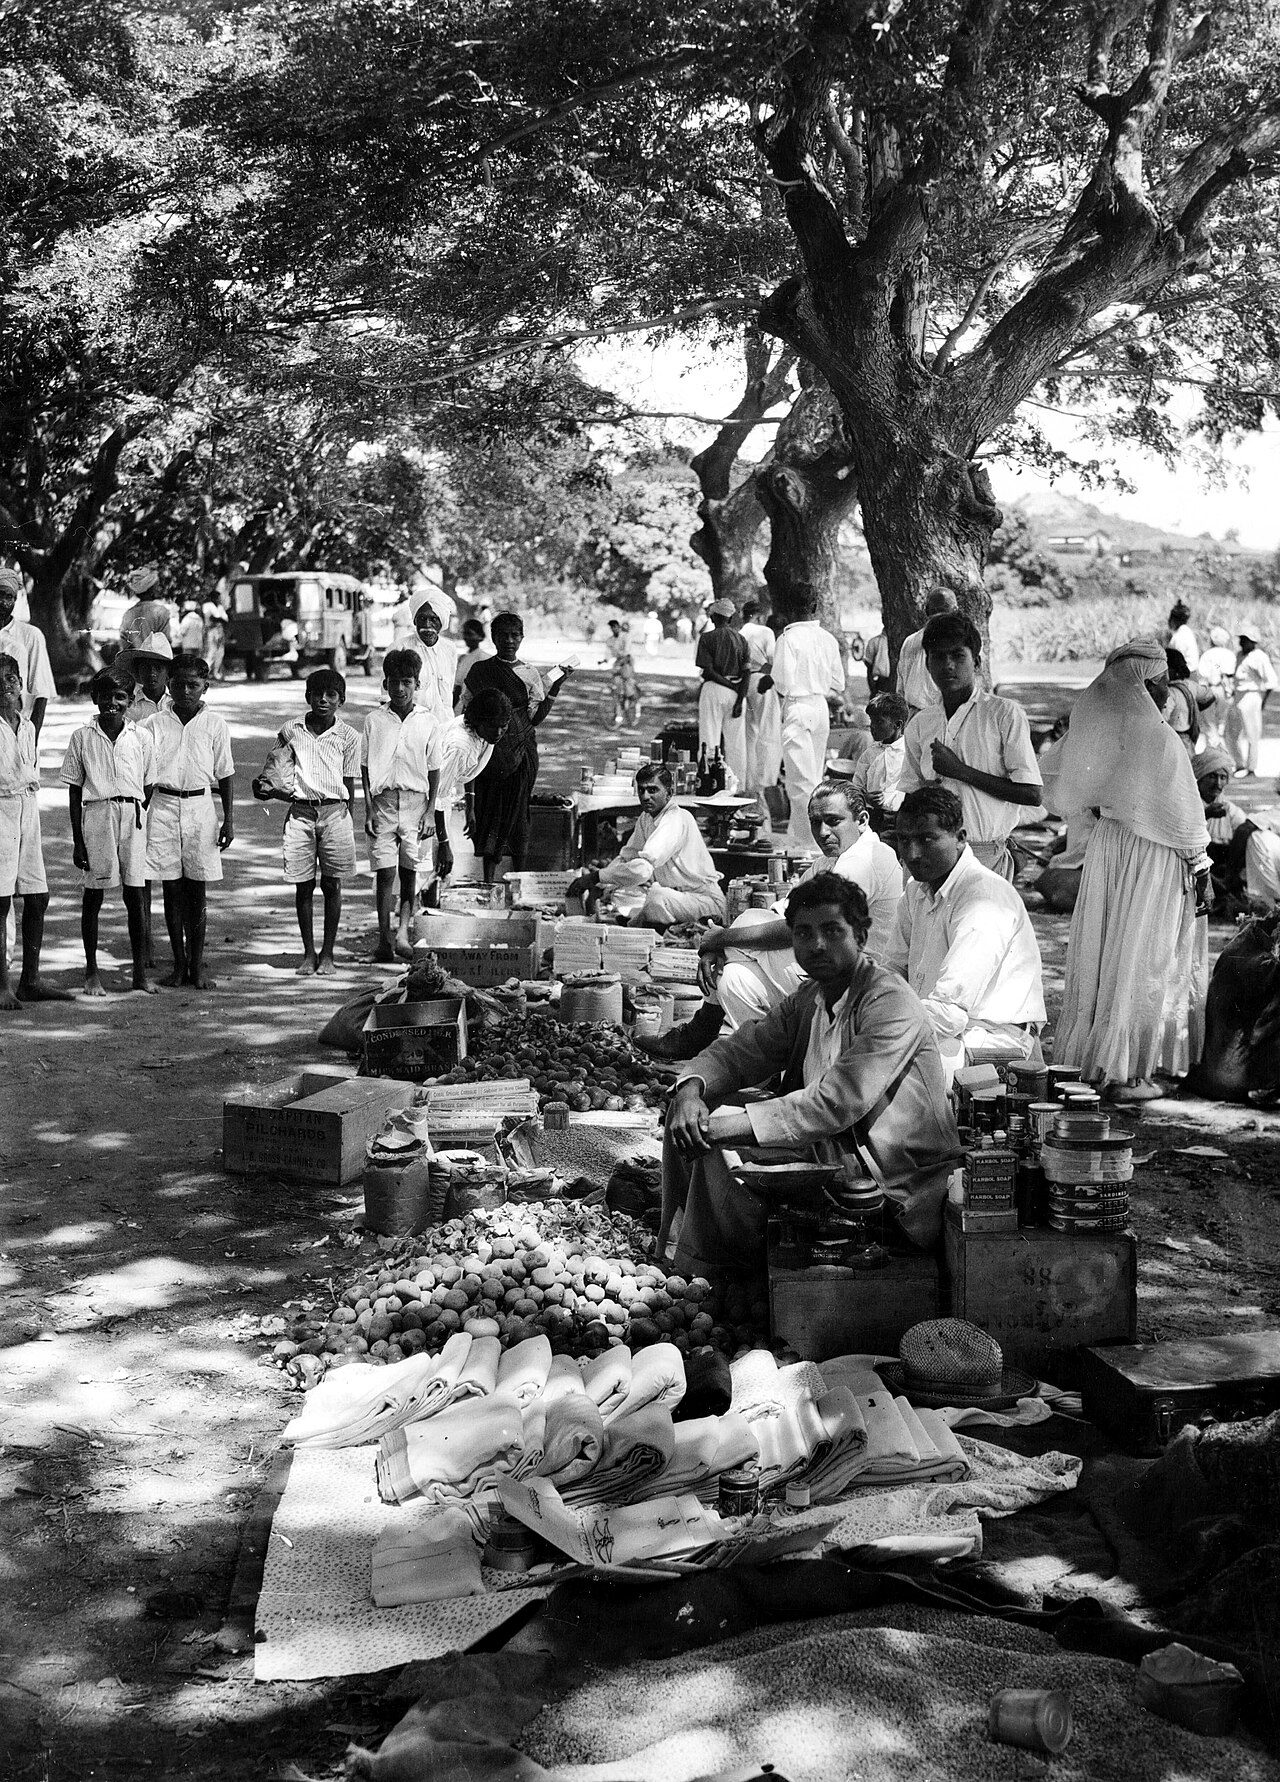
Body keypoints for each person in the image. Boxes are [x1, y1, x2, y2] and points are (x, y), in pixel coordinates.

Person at [661, 875, 962, 1267]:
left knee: (718, 1140)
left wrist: (716, 1128)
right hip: (836, 1151)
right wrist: (690, 1090)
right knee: (692, 1110)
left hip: (891, 1182)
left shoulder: (889, 1002)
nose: (817, 945)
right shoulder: (812, 996)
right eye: (803, 933)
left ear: (862, 936)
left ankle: (722, 1270)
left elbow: (834, 1103)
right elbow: (742, 1051)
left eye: (833, 931)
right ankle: (682, 1250)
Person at [1051, 639, 1211, 1101]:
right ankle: (1127, 1071)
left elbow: (1068, 788)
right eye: (1160, 683)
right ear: (1147, 685)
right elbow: (1184, 816)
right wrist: (1201, 871)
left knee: (1109, 951)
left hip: (1111, 849)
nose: (1166, 693)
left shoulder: (1101, 732)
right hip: (1154, 854)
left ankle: (1096, 1057)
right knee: (1144, 952)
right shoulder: (1159, 738)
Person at [695, 779, 904, 1031]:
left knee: (750, 920)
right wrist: (720, 943)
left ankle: (703, 1025)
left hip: (858, 980)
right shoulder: (829, 860)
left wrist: (721, 940)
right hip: (827, 966)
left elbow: (790, 931)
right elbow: (783, 912)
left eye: (833, 821)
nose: (823, 832)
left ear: (862, 820)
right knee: (734, 979)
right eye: (816, 822)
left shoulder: (866, 857)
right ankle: (768, 1063)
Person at [887, 786, 1045, 1087]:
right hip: (941, 1029)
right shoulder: (915, 891)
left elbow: (949, 1013)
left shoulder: (983, 897)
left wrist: (876, 1024)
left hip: (997, 1044)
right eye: (903, 840)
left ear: (960, 838)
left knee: (884, 1074)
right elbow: (893, 971)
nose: (912, 853)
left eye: (926, 839)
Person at [898, 610, 1042, 880]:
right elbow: (911, 794)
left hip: (984, 853)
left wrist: (960, 771)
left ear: (975, 662)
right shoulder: (921, 724)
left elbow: (1032, 794)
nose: (948, 665)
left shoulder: (1003, 714)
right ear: (927, 665)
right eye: (938, 657)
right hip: (931, 855)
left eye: (957, 655)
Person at [254, 667, 359, 977]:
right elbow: (276, 771)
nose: (323, 700)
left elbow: (348, 783)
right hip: (300, 814)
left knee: (332, 884)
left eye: (331, 695)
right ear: (307, 697)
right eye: (317, 694)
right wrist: (268, 788)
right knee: (303, 885)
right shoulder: (291, 730)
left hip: (335, 813)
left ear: (341, 699)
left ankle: (328, 954)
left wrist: (345, 815)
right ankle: (308, 953)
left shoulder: (349, 736)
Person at [141, 654, 235, 990]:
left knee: (197, 889)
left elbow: (224, 774)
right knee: (171, 888)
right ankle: (178, 965)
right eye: (178, 684)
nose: (185, 691)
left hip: (200, 808)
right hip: (163, 807)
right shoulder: (153, 725)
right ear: (168, 684)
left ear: (205, 687)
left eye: (193, 685)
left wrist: (229, 820)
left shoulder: (215, 724)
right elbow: (144, 776)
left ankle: (197, 965)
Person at [62, 668, 156, 997]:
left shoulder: (141, 737)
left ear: (130, 701)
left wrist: (135, 809)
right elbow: (74, 791)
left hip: (132, 813)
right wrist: (78, 839)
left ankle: (140, 974)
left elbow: (149, 782)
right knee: (94, 895)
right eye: (105, 696)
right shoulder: (82, 737)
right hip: (97, 815)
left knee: (135, 895)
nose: (112, 703)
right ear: (95, 698)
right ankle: (91, 972)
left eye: (120, 697)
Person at [462, 612, 572, 883]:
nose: (509, 641)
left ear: (522, 638)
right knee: (490, 814)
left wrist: (556, 686)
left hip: (522, 755)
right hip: (489, 753)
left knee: (519, 816)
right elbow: (468, 709)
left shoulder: (529, 673)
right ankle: (488, 882)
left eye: (515, 635)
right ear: (493, 637)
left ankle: (519, 883)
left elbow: (534, 717)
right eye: (503, 635)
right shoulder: (480, 671)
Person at [569, 763, 726, 928]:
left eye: (652, 790)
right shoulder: (646, 818)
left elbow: (643, 870)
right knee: (624, 895)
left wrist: (596, 877)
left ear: (669, 793)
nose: (645, 796)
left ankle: (636, 925)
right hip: (678, 898)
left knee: (656, 897)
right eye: (641, 790)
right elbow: (627, 857)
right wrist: (601, 882)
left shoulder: (675, 819)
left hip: (705, 902)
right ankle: (633, 923)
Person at [361, 649, 441, 961]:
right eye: (394, 682)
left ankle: (403, 935)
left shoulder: (428, 721)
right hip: (382, 805)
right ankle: (383, 941)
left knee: (410, 874)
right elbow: (365, 767)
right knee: (384, 873)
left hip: (416, 805)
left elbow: (435, 768)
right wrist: (368, 807)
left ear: (417, 684)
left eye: (406, 682)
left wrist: (431, 810)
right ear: (385, 683)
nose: (400, 689)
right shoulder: (374, 720)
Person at [0, 654, 67, 1007]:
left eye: (11, 679)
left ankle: (31, 980)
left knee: (37, 896)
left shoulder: (25, 725)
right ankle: (2, 984)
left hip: (27, 807)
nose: (6, 687)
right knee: (0, 900)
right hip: (0, 810)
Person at [761, 597, 845, 850]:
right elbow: (838, 683)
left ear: (790, 610)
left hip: (798, 704)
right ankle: (804, 835)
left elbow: (783, 682)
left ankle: (809, 841)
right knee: (813, 777)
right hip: (819, 707)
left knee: (800, 782)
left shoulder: (788, 639)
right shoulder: (827, 638)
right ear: (815, 607)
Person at [430, 687, 514, 890]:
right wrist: (443, 843)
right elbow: (437, 797)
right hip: (427, 800)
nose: (499, 732)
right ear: (479, 721)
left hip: (440, 798)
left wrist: (470, 807)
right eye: (494, 727)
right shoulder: (460, 745)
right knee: (431, 866)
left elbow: (470, 770)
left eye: (504, 726)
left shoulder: (485, 733)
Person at [695, 598, 750, 785]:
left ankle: (708, 783)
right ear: (731, 617)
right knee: (736, 744)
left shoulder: (707, 638)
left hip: (714, 690)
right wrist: (739, 697)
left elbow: (708, 671)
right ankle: (737, 786)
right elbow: (747, 672)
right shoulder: (741, 640)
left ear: (713, 617)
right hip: (737, 694)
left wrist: (729, 685)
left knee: (709, 739)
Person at [0, 568, 56, 739]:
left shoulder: (31, 635)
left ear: (15, 600)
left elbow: (41, 693)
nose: (2, 602)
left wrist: (31, 739)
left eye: (8, 597)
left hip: (17, 728)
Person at [847, 693, 908, 830]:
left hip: (900, 816)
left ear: (897, 725)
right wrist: (866, 798)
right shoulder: (870, 754)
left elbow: (912, 785)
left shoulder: (908, 752)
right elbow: (857, 786)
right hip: (871, 815)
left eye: (879, 722)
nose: (872, 726)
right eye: (871, 721)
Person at [896, 589, 957, 716]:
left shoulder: (910, 641)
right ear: (955, 611)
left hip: (913, 715)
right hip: (939, 717)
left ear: (926, 610)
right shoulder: (957, 643)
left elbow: (900, 689)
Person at [739, 599, 778, 795]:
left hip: (743, 684)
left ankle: (748, 781)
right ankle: (765, 782)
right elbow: (773, 661)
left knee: (749, 735)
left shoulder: (739, 634)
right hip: (762, 681)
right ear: (760, 616)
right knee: (767, 731)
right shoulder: (765, 632)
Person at [408, 590, 459, 725]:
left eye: (433, 619)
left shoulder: (450, 649)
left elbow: (449, 691)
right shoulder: (400, 648)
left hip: (443, 725)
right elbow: (386, 696)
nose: (427, 625)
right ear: (415, 620)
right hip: (412, 727)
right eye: (422, 619)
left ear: (442, 621)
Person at [1232, 631, 1277, 778]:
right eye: (1242, 639)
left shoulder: (1259, 657)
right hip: (1238, 695)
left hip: (1252, 695)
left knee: (1252, 734)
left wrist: (1263, 701)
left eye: (1245, 640)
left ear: (1253, 642)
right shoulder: (1239, 655)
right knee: (1231, 732)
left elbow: (1271, 681)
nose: (1242, 643)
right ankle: (1239, 764)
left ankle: (1251, 767)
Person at [117, 567, 174, 670]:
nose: (159, 588)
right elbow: (166, 642)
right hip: (156, 667)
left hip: (135, 667)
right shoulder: (161, 612)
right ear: (151, 589)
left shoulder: (128, 614)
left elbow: (124, 643)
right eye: (156, 586)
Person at [1197, 626, 1236, 749]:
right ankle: (1224, 753)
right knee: (1222, 723)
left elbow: (1202, 675)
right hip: (1226, 691)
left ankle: (1213, 753)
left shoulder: (1206, 655)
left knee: (1210, 724)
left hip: (1210, 688)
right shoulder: (1230, 655)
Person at [127, 633, 173, 721]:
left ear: (168, 672)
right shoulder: (130, 705)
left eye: (158, 668)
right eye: (145, 668)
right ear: (138, 671)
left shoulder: (176, 701)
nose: (152, 673)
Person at [1164, 647, 1201, 756]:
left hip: (1175, 741)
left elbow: (1163, 719)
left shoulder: (1171, 692)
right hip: (1188, 740)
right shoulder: (1189, 686)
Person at [605, 619, 641, 729]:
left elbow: (627, 652)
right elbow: (608, 653)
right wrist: (605, 660)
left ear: (618, 627)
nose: (614, 629)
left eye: (615, 627)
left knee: (628, 685)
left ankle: (632, 700)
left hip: (626, 662)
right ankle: (617, 713)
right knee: (616, 687)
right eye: (612, 627)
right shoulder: (610, 640)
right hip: (617, 662)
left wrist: (622, 660)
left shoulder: (625, 637)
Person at [452, 618, 492, 705]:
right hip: (460, 705)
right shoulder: (462, 658)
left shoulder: (485, 658)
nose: (466, 637)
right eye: (465, 633)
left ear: (480, 636)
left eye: (470, 634)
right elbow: (458, 686)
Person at [1168, 601, 1200, 673]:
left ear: (1173, 620)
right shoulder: (1187, 632)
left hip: (1185, 675)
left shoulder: (1179, 636)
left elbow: (1176, 661)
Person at [862, 628, 893, 700]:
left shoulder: (901, 641)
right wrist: (872, 686)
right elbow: (869, 665)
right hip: (880, 680)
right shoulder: (875, 641)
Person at [202, 598, 228, 680]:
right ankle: (205, 673)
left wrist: (220, 619)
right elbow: (212, 618)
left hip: (218, 631)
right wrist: (220, 619)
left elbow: (225, 619)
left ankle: (216, 673)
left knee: (220, 653)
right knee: (211, 653)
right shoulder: (207, 606)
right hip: (211, 631)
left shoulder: (220, 607)